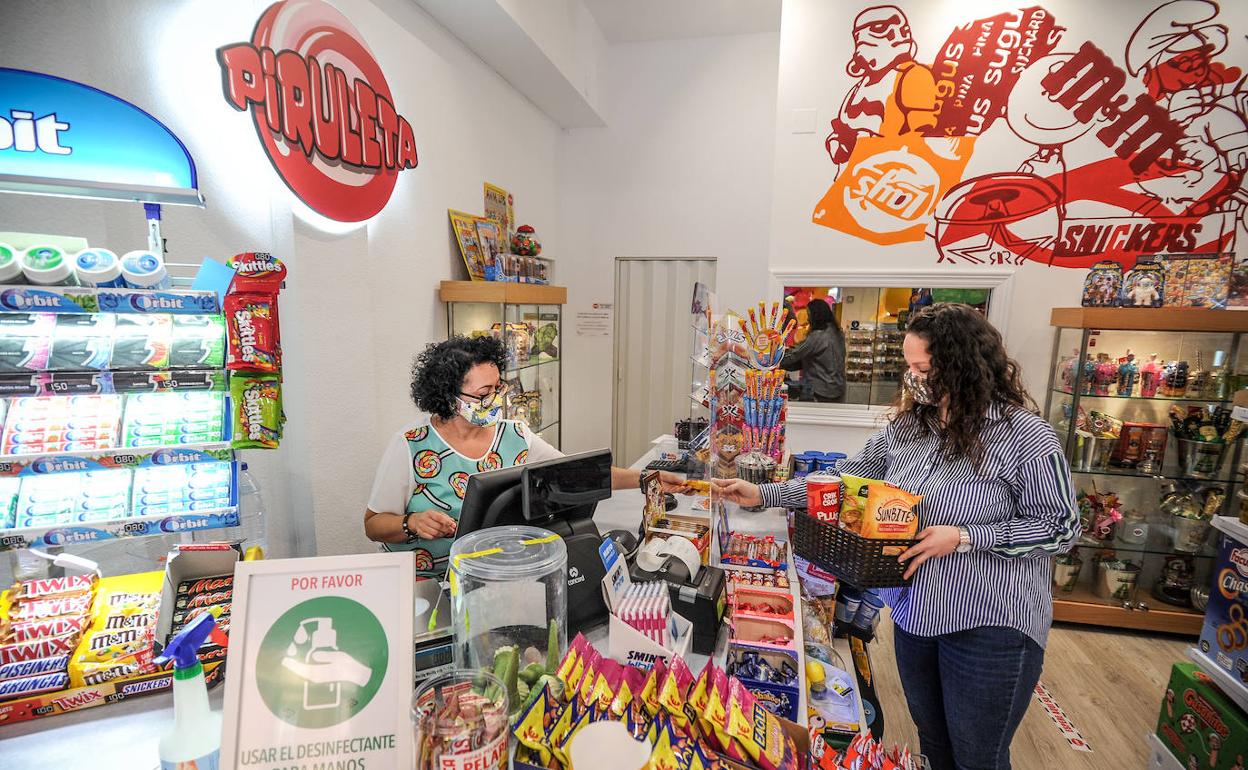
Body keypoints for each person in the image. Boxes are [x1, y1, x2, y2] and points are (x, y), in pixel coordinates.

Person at [715, 303, 1079, 770]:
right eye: (910, 368)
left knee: (977, 758)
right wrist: (765, 493)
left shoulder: (1025, 436)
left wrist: (966, 536)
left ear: (964, 366)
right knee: (934, 742)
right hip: (917, 613)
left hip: (990, 624)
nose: (914, 379)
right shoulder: (909, 427)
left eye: (923, 369)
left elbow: (1061, 527)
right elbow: (842, 483)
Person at [366, 336, 689, 577]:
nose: (495, 400)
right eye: (483, 394)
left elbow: (575, 474)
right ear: (448, 396)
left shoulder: (514, 435)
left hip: (494, 572)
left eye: (498, 389)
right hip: (426, 581)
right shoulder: (411, 445)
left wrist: (647, 479)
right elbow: (373, 524)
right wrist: (411, 523)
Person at [780, 299, 846, 403]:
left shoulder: (817, 336)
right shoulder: (838, 333)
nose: (808, 319)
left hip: (820, 391)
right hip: (838, 390)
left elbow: (794, 355)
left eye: (809, 315)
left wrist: (774, 359)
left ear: (815, 316)